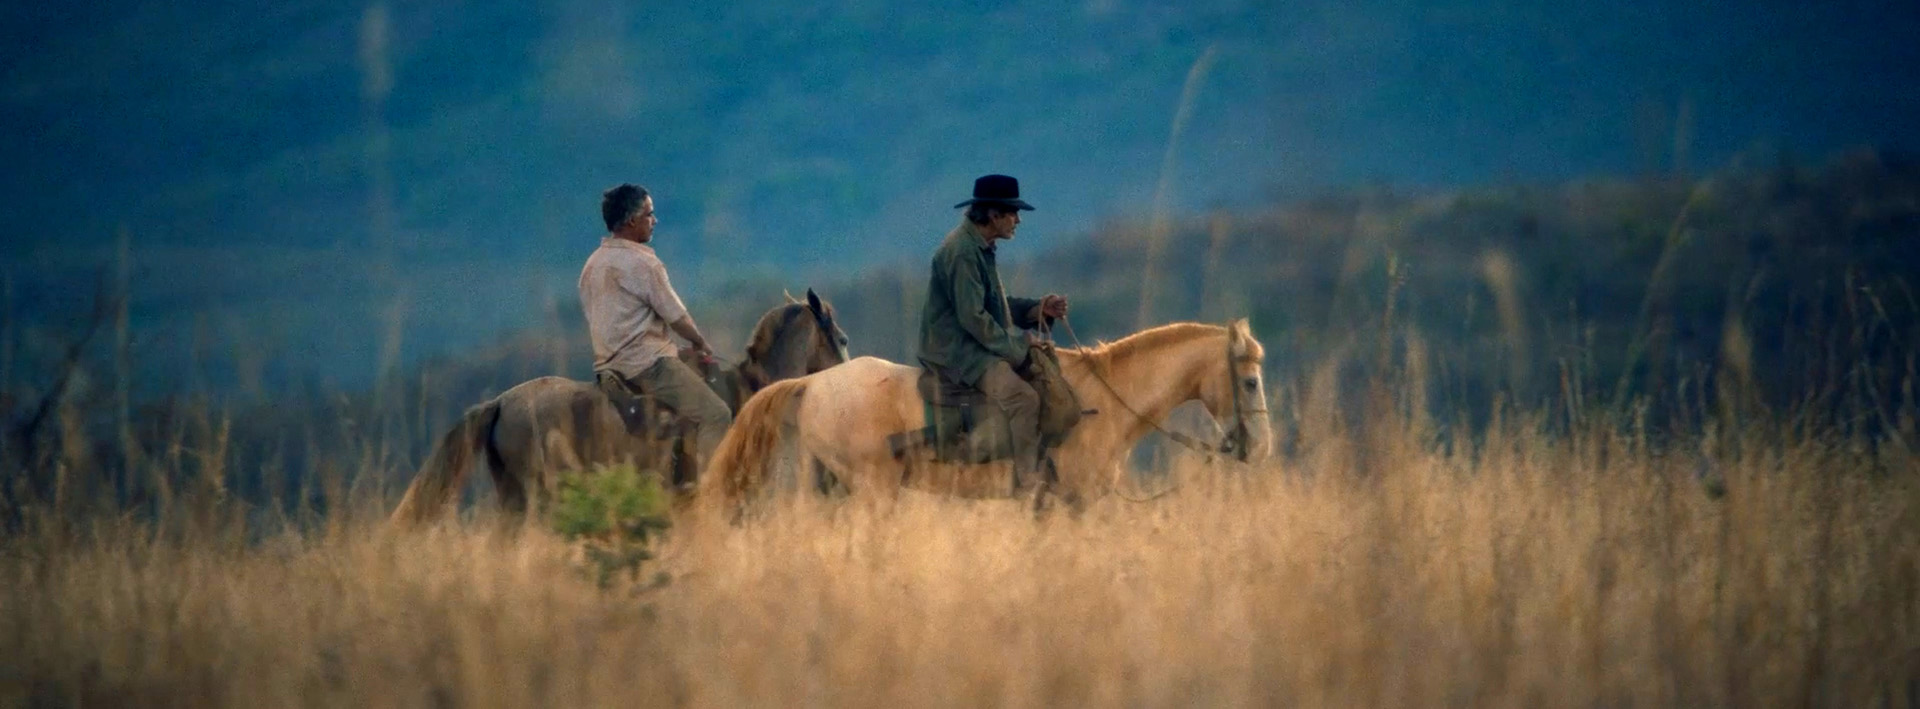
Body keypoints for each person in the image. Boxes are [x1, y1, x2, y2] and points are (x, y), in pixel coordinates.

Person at [917, 174, 1070, 497]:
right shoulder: (962, 252)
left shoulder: (980, 247)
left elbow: (995, 307)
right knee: (1024, 398)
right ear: (993, 215)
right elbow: (973, 318)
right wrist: (1018, 347)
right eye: (1013, 213)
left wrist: (1038, 310)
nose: (1018, 220)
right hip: (957, 351)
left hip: (973, 343)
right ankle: (1030, 487)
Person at [578, 183, 732, 478]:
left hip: (607, 369)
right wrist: (700, 343)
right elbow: (676, 316)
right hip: (649, 365)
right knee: (716, 414)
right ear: (632, 221)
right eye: (649, 214)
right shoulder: (643, 262)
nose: (654, 220)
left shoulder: (592, 265)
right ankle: (714, 494)